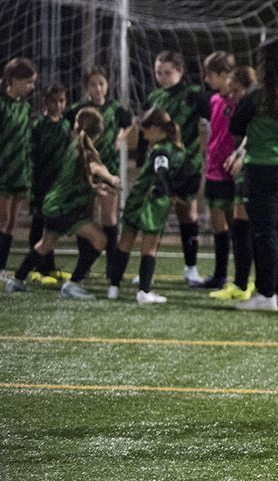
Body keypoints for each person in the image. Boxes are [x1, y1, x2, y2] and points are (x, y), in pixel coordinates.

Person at [5, 106, 121, 300]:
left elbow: (78, 178)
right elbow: (96, 168)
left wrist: (95, 188)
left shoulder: (75, 145)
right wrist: (112, 178)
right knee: (100, 239)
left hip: (53, 204)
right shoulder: (86, 152)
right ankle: (73, 284)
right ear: (98, 133)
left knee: (45, 245)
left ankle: (16, 280)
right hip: (64, 208)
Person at [228, 38, 278, 313]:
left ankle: (265, 294)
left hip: (264, 167)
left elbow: (235, 126)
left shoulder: (257, 96)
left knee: (264, 233)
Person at [145, 50, 211, 287]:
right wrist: (142, 160)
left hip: (188, 164)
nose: (162, 77)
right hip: (161, 165)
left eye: (168, 73)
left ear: (180, 72)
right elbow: (146, 131)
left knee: (187, 214)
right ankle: (146, 270)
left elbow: (215, 115)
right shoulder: (154, 97)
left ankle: (191, 268)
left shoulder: (193, 95)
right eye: (158, 73)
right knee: (155, 215)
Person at [104, 108, 182, 304]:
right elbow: (162, 170)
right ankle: (144, 292)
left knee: (125, 243)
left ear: (156, 129)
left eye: (145, 131)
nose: (144, 136)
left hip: (136, 199)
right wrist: (170, 193)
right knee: (149, 248)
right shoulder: (164, 149)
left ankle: (113, 287)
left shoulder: (158, 148)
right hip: (152, 204)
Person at [69, 64, 135, 268]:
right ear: (86, 87)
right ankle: (85, 263)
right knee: (86, 216)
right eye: (93, 85)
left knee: (109, 215)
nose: (98, 88)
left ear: (107, 85)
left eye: (101, 84)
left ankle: (112, 266)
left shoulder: (115, 108)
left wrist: (121, 137)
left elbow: (130, 122)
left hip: (110, 168)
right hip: (85, 170)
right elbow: (67, 126)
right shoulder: (79, 110)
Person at [209, 66, 256, 302]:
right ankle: (240, 283)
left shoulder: (254, 101)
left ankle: (252, 284)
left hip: (255, 168)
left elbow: (253, 131)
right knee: (240, 226)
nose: (233, 95)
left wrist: (240, 153)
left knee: (250, 228)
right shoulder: (240, 102)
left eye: (236, 90)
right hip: (243, 167)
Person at [198, 50, 238, 289]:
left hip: (232, 168)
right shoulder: (213, 100)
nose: (206, 79)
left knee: (238, 224)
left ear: (224, 75)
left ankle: (241, 277)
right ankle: (220, 275)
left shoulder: (238, 101)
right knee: (217, 222)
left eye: (210, 74)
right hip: (214, 168)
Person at [25, 84, 72, 285]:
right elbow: (32, 155)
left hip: (58, 185)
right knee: (39, 224)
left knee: (51, 226)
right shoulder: (39, 126)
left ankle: (49, 267)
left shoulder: (65, 125)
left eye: (61, 101)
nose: (58, 105)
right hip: (41, 183)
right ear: (45, 102)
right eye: (54, 101)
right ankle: (36, 268)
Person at [0, 56, 39, 282]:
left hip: (20, 172)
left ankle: (2, 267)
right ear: (13, 79)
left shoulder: (24, 106)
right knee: (2, 219)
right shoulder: (2, 105)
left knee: (12, 222)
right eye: (28, 82)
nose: (31, 87)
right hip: (3, 170)